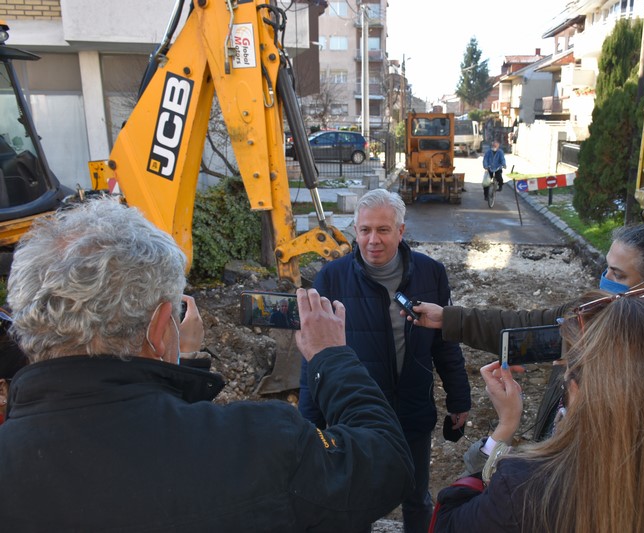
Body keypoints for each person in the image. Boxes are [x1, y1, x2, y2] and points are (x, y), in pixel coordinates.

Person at [0, 198, 414, 532]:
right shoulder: (262, 443)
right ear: (163, 324)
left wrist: (178, 362)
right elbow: (386, 462)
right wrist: (331, 357)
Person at [408, 223, 644, 526]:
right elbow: (526, 326)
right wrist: (449, 319)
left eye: (618, 275)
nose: (605, 281)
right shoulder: (592, 314)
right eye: (606, 269)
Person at [432, 295, 644, 533]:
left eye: (568, 369)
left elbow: (448, 522)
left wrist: (505, 427)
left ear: (580, 391)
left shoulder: (528, 486)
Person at [298, 188, 471, 533]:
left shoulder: (431, 274)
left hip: (412, 409)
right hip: (352, 415)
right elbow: (312, 356)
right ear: (355, 232)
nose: (372, 240)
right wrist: (309, 420)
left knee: (417, 495)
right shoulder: (331, 278)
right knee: (354, 499)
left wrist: (459, 398)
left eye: (383, 230)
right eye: (365, 230)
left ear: (401, 231)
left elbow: (445, 343)